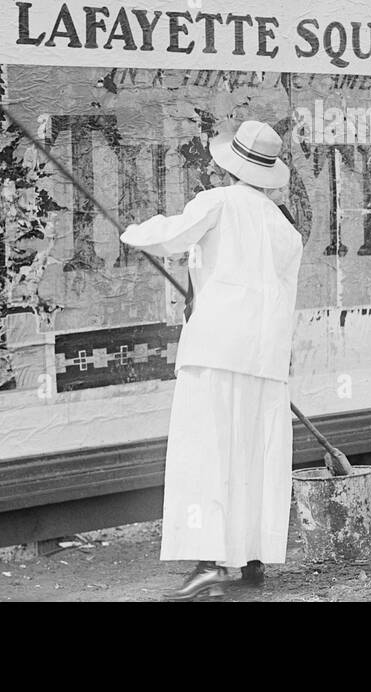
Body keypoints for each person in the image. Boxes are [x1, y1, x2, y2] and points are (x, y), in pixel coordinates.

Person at [120, 119, 303, 600]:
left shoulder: (219, 202)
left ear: (231, 165)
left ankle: (211, 563)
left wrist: (131, 232)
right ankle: (250, 560)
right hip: (264, 358)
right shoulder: (285, 229)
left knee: (207, 452)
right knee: (254, 454)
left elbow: (170, 237)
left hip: (217, 350)